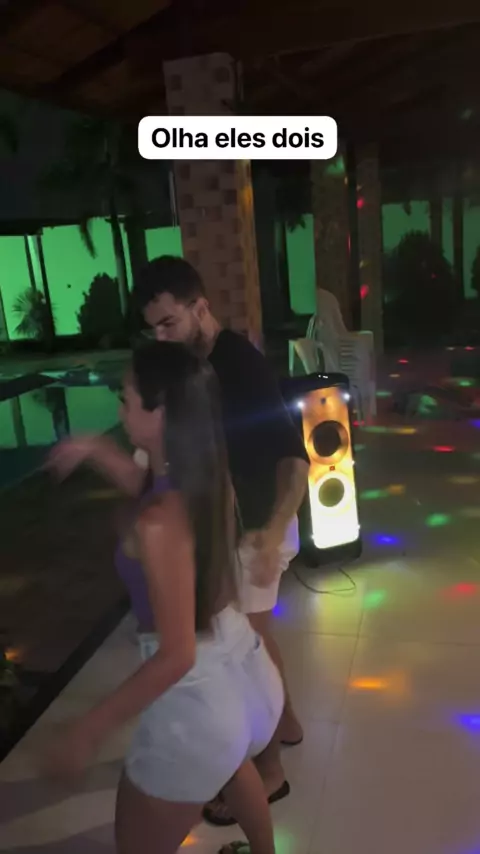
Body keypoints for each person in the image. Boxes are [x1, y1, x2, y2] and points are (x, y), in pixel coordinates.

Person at [43, 341, 284, 854]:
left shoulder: (158, 524)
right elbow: (147, 484)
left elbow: (177, 656)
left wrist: (88, 729)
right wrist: (94, 449)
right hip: (247, 671)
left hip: (198, 699)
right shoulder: (208, 475)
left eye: (126, 399)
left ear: (161, 415)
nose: (119, 410)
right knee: (230, 762)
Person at [133, 256, 310, 826]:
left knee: (246, 650)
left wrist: (273, 531)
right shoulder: (188, 367)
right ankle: (286, 725)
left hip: (261, 525)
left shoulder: (240, 365)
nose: (161, 337)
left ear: (200, 307)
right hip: (230, 526)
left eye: (168, 323)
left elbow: (295, 458)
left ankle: (271, 771)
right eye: (152, 329)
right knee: (250, 643)